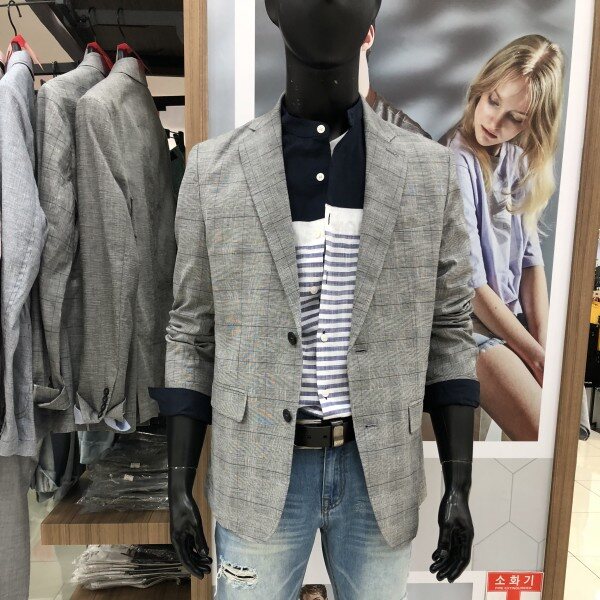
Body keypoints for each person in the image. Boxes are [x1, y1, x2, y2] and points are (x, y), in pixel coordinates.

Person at [441, 34, 565, 441]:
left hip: (508, 322)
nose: (494, 123)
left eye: (515, 117)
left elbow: (531, 264)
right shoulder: (455, 161)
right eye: (493, 101)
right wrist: (536, 355)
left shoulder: (517, 161)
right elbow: (472, 287)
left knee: (561, 426)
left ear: (532, 123)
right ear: (481, 88)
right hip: (466, 326)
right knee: (546, 432)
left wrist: (545, 350)